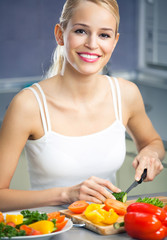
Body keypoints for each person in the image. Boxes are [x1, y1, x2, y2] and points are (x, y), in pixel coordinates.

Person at [0, 0, 165, 212]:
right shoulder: (28, 105)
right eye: (81, 31)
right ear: (60, 34)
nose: (92, 44)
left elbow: (152, 142)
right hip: (51, 230)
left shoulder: (126, 94)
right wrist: (66, 194)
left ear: (114, 42)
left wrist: (151, 154)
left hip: (108, 228)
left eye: (104, 35)